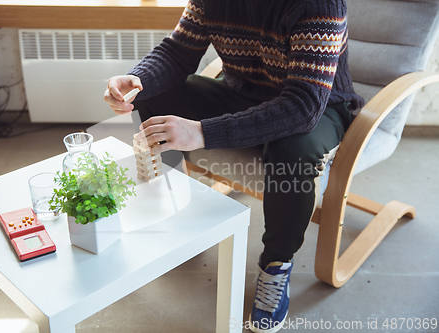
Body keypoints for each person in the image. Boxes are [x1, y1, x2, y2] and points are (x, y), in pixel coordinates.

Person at [104, 0, 364, 332]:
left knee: (294, 152)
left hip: (318, 106)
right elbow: (177, 52)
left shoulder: (318, 4)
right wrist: (137, 80)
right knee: (150, 96)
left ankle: (276, 264)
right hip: (243, 95)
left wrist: (202, 132)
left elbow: (302, 106)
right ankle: (171, 206)